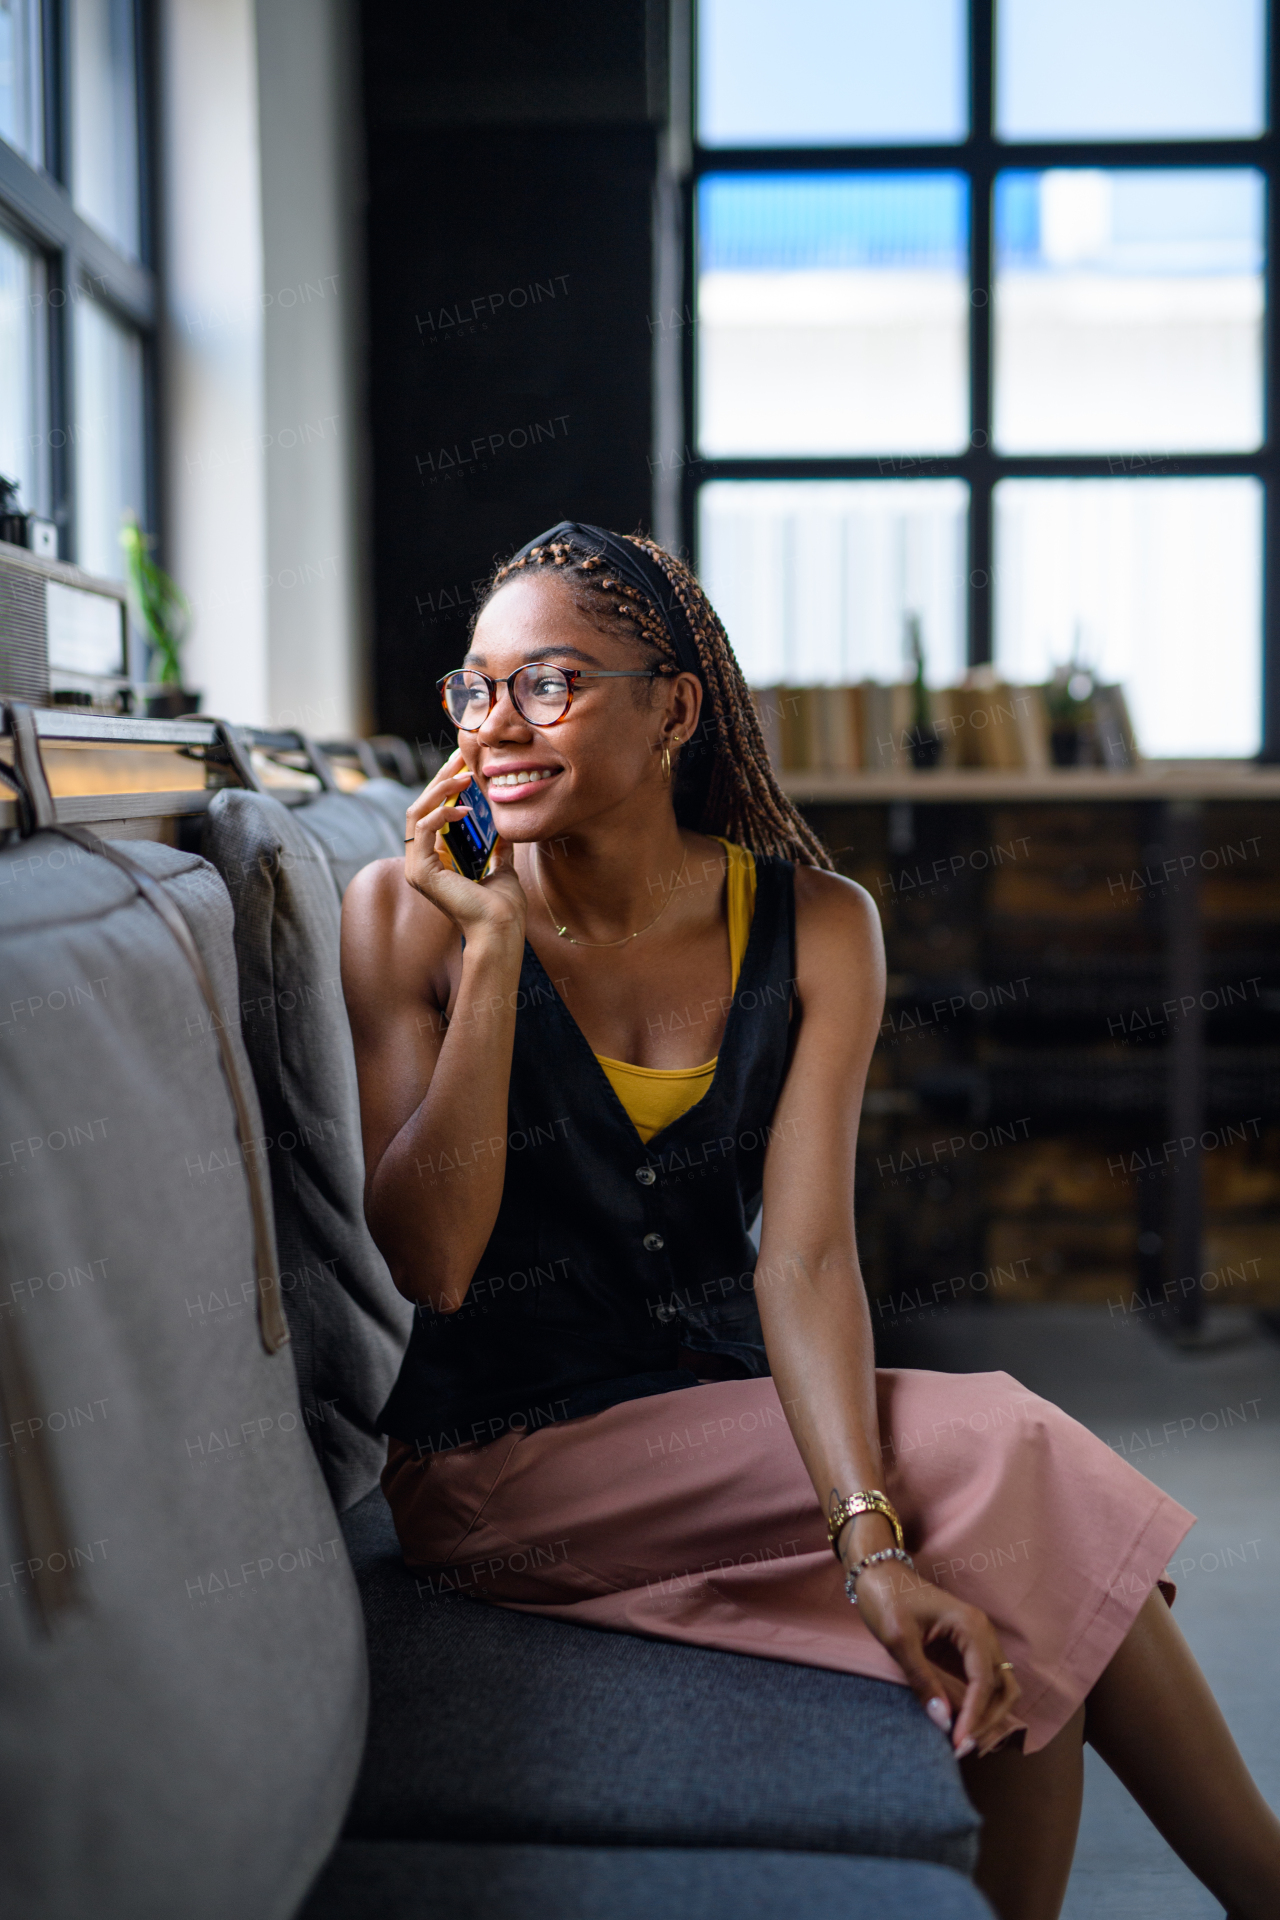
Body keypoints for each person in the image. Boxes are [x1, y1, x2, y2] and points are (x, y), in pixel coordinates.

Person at [341, 522, 1280, 1920]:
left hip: (727, 1427)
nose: (497, 727)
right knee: (1019, 1451)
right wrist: (489, 957)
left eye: (549, 683)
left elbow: (808, 1256)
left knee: (1036, 1575)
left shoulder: (817, 924)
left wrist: (868, 1533)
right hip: (502, 1463)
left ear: (675, 706)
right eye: (475, 689)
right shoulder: (404, 916)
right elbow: (436, 1259)